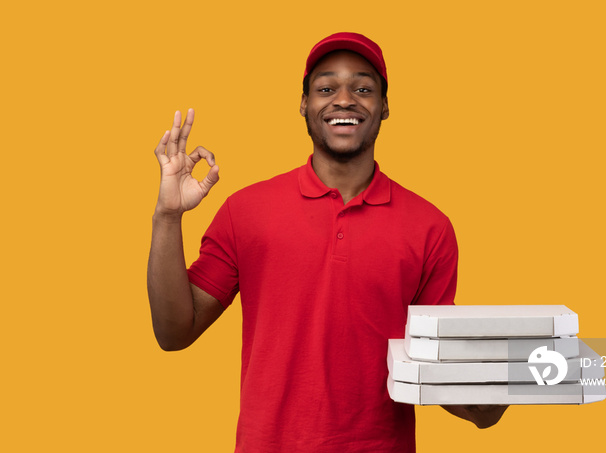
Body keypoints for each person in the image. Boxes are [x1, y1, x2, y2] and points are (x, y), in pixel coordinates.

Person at [147, 32, 507, 453]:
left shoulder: (430, 227)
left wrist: (490, 395)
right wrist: (168, 217)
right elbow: (174, 332)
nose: (344, 99)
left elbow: (436, 368)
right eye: (325, 88)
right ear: (304, 105)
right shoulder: (246, 211)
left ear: (384, 107)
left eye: (363, 88)